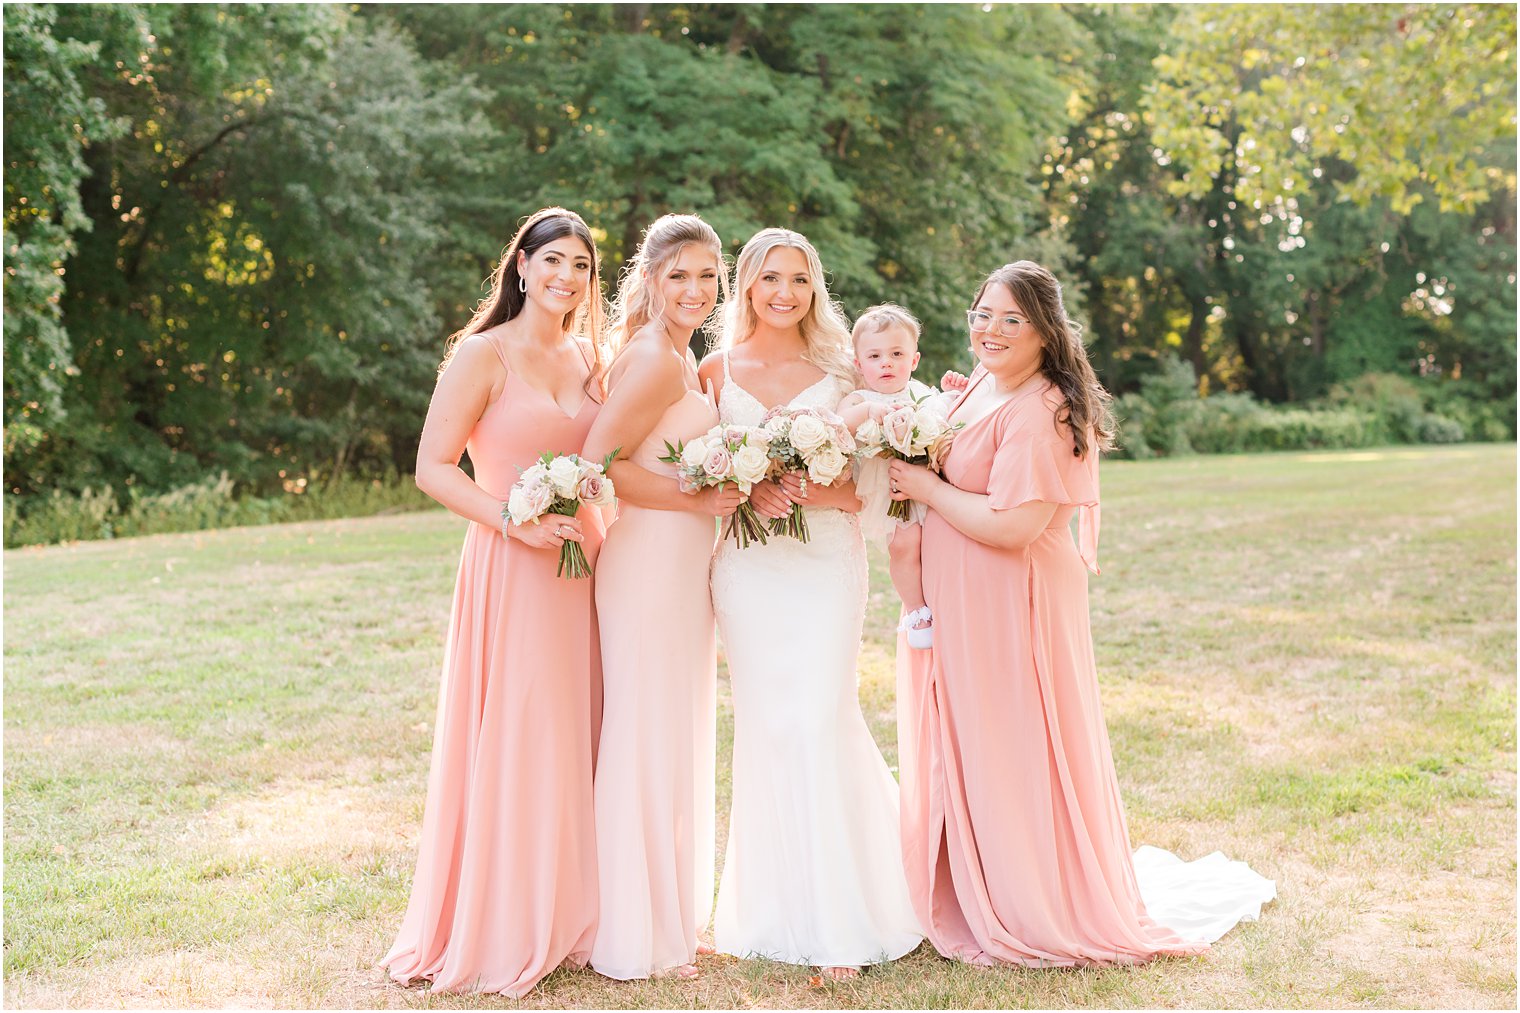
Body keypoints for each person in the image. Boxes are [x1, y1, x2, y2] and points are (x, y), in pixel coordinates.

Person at [889, 260, 1274, 968]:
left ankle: (1028, 896)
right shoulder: (980, 383)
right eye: (982, 313)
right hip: (964, 599)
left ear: (1044, 330)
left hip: (1013, 603)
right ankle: (976, 878)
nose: (990, 329)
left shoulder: (1044, 410)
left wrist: (923, 486)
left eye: (1012, 318)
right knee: (975, 739)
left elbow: (1012, 525)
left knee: (1014, 742)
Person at [383, 208, 609, 996]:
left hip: (583, 571)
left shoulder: (590, 356)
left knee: (575, 732)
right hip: (512, 568)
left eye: (581, 264)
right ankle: (506, 918)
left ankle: (569, 910)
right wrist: (512, 519)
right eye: (553, 260)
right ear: (521, 266)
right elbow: (433, 467)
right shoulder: (482, 354)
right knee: (520, 732)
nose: (566, 276)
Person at [696, 228, 923, 981]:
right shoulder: (713, 369)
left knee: (822, 716)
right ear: (748, 287)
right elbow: (696, 476)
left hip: (825, 561)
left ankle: (843, 922)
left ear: (815, 287)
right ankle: (766, 911)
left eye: (798, 278)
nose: (784, 292)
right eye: (769, 278)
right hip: (748, 567)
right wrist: (744, 483)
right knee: (768, 724)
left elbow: (871, 481)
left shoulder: (841, 369)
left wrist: (802, 480)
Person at [580, 214, 741, 981]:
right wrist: (698, 493)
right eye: (679, 274)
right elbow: (597, 465)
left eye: (708, 275)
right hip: (647, 563)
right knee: (644, 734)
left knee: (671, 731)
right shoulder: (652, 359)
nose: (695, 289)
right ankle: (634, 932)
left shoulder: (683, 355)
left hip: (679, 565)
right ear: (648, 281)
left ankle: (671, 914)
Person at [836, 303, 963, 650]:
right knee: (905, 545)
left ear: (914, 360)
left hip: (927, 483)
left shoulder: (920, 392)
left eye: (896, 354)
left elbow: (945, 417)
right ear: (859, 364)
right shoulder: (859, 397)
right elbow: (839, 424)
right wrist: (869, 412)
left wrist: (953, 393)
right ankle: (916, 610)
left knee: (936, 545)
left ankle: (943, 602)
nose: (886, 363)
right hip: (888, 489)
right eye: (875, 356)